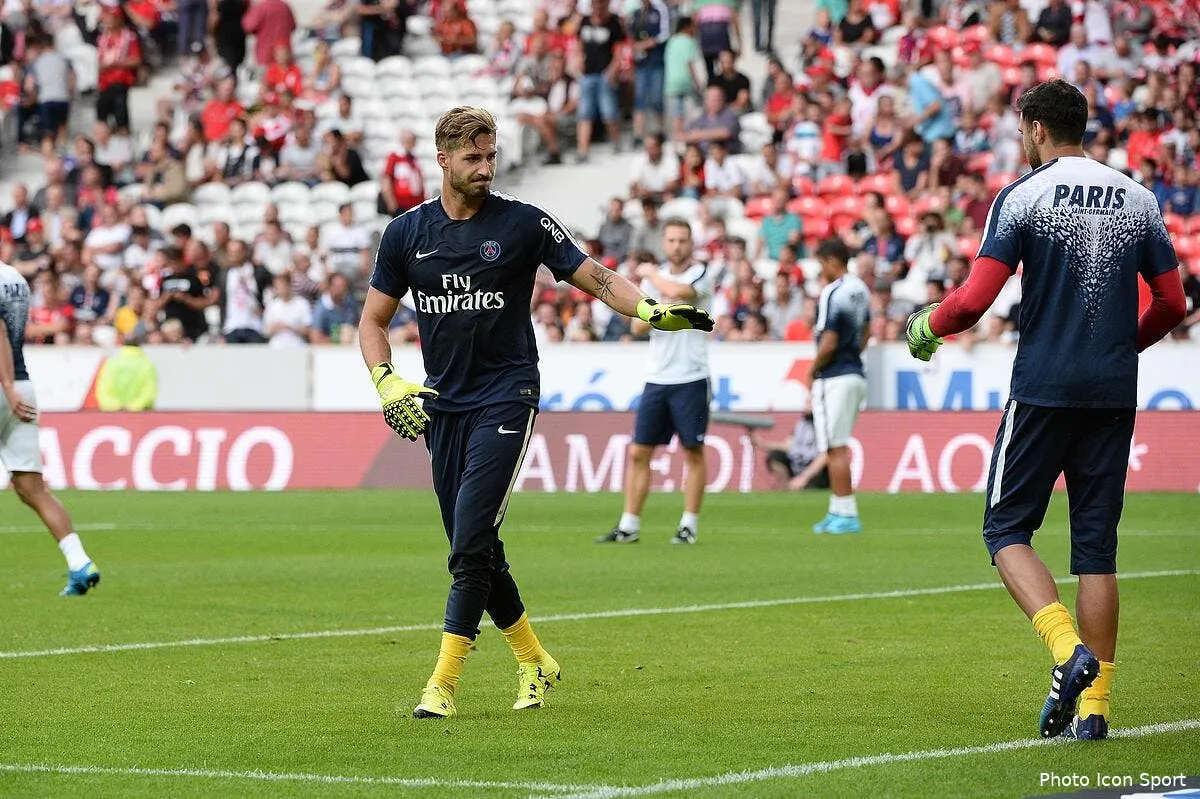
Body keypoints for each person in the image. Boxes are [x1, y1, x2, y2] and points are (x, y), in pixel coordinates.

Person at [359, 106, 714, 719]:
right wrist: (386, 380)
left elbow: (598, 278)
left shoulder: (523, 223)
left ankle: (441, 684)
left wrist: (651, 311)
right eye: (473, 158)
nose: (485, 167)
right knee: (476, 544)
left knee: (469, 541)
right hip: (442, 405)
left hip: (507, 394)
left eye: (490, 155)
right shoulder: (406, 234)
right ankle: (534, 661)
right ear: (442, 160)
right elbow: (372, 320)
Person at [905, 80, 1186, 742]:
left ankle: (1068, 654)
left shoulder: (1025, 196)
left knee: (1005, 529)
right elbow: (1173, 303)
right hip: (1112, 394)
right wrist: (1119, 345)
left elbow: (974, 301)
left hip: (1043, 389)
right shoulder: (1138, 198)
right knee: (1097, 550)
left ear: (1034, 128)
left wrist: (927, 325)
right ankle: (1097, 711)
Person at [597, 219, 713, 546]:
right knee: (639, 451)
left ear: (691, 244)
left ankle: (688, 525)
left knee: (693, 450)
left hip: (691, 375)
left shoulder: (701, 273)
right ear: (664, 243)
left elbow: (680, 292)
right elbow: (636, 328)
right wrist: (656, 310)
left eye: (682, 240)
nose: (677, 246)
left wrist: (649, 277)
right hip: (657, 376)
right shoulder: (656, 278)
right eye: (672, 240)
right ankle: (629, 525)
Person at [0, 262, 101, 595]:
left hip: (8, 385)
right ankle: (79, 562)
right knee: (31, 488)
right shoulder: (15, 279)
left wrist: (8, 387)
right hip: (23, 387)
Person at [808, 237, 869, 535]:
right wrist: (854, 353)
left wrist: (813, 369)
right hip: (855, 372)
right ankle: (837, 508)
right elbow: (867, 330)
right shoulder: (861, 288)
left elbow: (828, 341)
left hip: (834, 377)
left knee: (835, 446)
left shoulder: (833, 292)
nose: (821, 271)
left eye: (822, 263)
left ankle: (846, 513)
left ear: (832, 260)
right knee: (837, 444)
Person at [751, 413, 829, 490]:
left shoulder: (825, 425)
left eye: (809, 402)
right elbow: (787, 446)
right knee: (775, 456)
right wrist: (762, 443)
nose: (805, 406)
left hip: (815, 471)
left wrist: (804, 477)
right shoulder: (802, 424)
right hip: (796, 464)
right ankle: (785, 488)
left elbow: (826, 454)